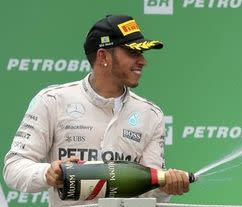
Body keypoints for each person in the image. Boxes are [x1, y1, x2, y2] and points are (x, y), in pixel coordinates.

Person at [3, 15, 190, 207]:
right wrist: (47, 173)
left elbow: (151, 195)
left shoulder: (151, 114)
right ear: (103, 56)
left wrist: (166, 187)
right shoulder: (53, 101)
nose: (143, 61)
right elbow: (13, 168)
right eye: (133, 53)